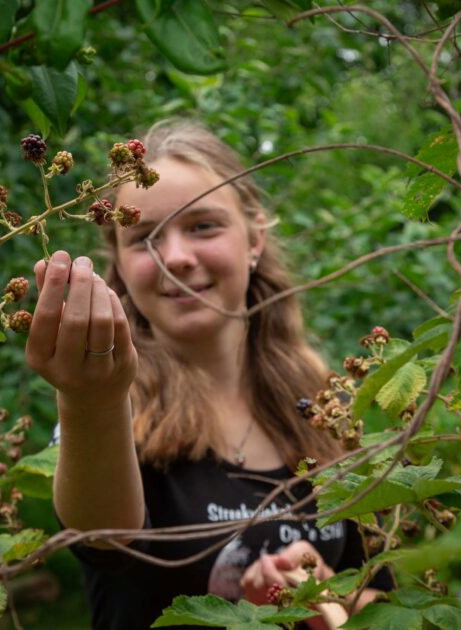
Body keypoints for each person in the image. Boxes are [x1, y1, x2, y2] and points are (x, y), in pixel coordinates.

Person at [25, 120, 392, 629]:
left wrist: (326, 596)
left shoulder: (328, 405)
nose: (176, 257)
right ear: (120, 263)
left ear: (255, 238)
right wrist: (90, 401)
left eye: (202, 226)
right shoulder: (110, 409)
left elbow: (390, 598)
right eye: (145, 237)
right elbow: (102, 539)